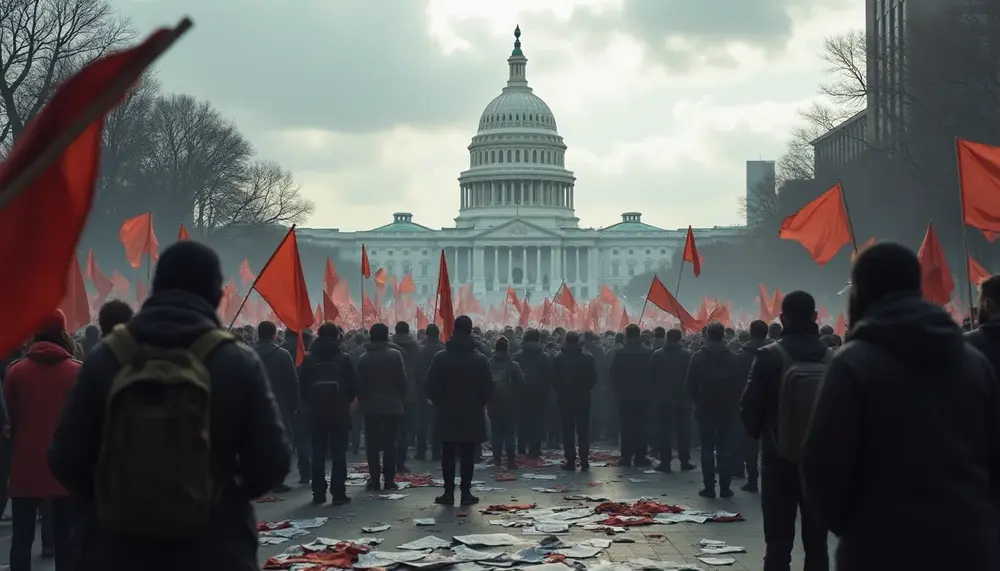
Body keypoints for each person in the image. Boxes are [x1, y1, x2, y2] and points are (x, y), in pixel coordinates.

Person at [49, 241, 290, 571]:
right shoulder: (235, 360)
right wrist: (216, 493)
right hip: (214, 549)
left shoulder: (105, 358)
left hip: (116, 550)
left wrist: (113, 495)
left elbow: (65, 458)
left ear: (155, 288)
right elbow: (272, 463)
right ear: (217, 295)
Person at [802, 243, 1000, 570]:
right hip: (968, 544)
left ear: (862, 293)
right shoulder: (972, 361)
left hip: (880, 547)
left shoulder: (852, 363)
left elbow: (822, 467)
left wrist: (856, 528)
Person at [742, 291, 831, 570]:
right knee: (817, 544)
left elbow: (749, 408)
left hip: (777, 459)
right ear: (815, 318)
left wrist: (760, 435)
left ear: (782, 319)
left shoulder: (769, 356)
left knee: (778, 543)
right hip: (819, 464)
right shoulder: (833, 357)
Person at [4, 311, 80, 571]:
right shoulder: (77, 372)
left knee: (21, 542)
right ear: (63, 333)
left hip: (24, 468)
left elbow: (10, 418)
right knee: (66, 545)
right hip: (63, 469)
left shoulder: (16, 372)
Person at [426, 316, 493, 506]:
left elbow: (430, 386)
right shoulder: (479, 358)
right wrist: (478, 403)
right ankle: (465, 492)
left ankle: (448, 492)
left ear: (454, 330)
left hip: (446, 412)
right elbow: (488, 388)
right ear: (470, 330)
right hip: (471, 412)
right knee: (467, 455)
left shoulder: (440, 357)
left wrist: (440, 402)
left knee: (447, 454)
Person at [298, 323, 358, 505]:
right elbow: (353, 386)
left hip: (316, 414)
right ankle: (338, 493)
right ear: (337, 337)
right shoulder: (344, 358)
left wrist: (312, 403)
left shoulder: (308, 359)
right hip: (339, 413)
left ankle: (318, 493)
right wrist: (343, 401)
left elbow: (303, 388)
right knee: (339, 454)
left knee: (318, 453)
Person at [686, 321, 744, 498]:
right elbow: (741, 384)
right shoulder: (733, 357)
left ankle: (709, 487)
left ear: (707, 336)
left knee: (707, 448)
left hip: (705, 407)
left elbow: (689, 384)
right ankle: (725, 488)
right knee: (726, 448)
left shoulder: (698, 356)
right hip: (728, 408)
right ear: (723, 335)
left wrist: (698, 401)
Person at [356, 323, 407, 491]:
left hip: (371, 407)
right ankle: (389, 480)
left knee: (372, 445)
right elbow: (402, 382)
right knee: (390, 444)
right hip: (393, 405)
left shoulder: (364, 358)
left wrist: (363, 403)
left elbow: (360, 386)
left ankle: (375, 479)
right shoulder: (395, 355)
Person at [253, 320, 299, 494]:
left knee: (257, 442)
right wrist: (293, 404)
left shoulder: (247, 354)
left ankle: (260, 479)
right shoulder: (283, 355)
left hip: (254, 405)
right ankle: (277, 480)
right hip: (279, 405)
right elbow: (292, 382)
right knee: (280, 442)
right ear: (274, 334)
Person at [650, 328, 695, 473]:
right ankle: (685, 460)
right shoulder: (687, 355)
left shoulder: (657, 355)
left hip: (663, 399)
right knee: (684, 431)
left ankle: (665, 461)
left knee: (664, 431)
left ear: (666, 339)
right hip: (683, 399)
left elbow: (652, 378)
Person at [552, 331, 598, 471]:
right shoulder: (588, 357)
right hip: (583, 398)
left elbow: (554, 380)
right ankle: (584, 460)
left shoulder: (559, 358)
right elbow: (593, 378)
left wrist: (560, 391)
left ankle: (570, 460)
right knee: (583, 431)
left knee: (568, 431)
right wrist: (586, 389)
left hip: (565, 399)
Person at [609, 324, 654, 467]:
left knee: (626, 426)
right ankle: (640, 456)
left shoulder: (620, 353)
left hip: (624, 395)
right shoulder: (647, 352)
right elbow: (653, 374)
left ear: (627, 335)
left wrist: (617, 391)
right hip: (643, 395)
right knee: (641, 426)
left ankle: (626, 456)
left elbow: (613, 375)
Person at [733, 320, 769, 493]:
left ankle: (752, 480)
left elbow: (737, 382)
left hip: (749, 404)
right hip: (772, 405)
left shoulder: (742, 355)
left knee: (750, 445)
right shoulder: (776, 353)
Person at [512, 329, 553, 458]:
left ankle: (521, 448)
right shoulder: (544, 356)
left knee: (522, 421)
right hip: (539, 394)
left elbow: (513, 376)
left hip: (521, 394)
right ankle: (535, 449)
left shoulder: (517, 356)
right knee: (537, 422)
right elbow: (549, 377)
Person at [486, 336, 526, 469]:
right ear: (507, 348)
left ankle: (497, 458)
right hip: (511, 404)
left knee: (496, 432)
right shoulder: (514, 365)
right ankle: (510, 460)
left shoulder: (489, 363)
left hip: (493, 403)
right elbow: (522, 385)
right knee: (510, 433)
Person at [391, 321, 423, 474]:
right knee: (404, 430)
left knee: (392, 431)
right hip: (410, 393)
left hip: (392, 392)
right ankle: (400, 461)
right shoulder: (416, 346)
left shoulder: (389, 346)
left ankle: (391, 462)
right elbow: (420, 370)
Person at [419, 324, 445, 461]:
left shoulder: (420, 349)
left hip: (423, 389)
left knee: (422, 422)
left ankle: (421, 451)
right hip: (438, 390)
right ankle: (436, 452)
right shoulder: (441, 349)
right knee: (436, 423)